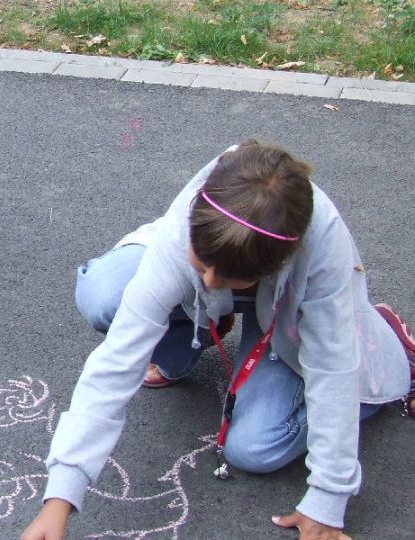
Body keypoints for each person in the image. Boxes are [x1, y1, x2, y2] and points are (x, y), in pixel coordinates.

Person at [21, 141, 414, 540]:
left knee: (256, 449)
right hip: (238, 272)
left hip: (287, 314)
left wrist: (329, 498)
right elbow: (115, 363)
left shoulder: (323, 254)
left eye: (224, 279)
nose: (207, 283)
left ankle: (385, 349)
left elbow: (332, 370)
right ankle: (186, 344)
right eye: (203, 266)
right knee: (107, 296)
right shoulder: (185, 232)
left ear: (275, 267)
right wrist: (61, 496)